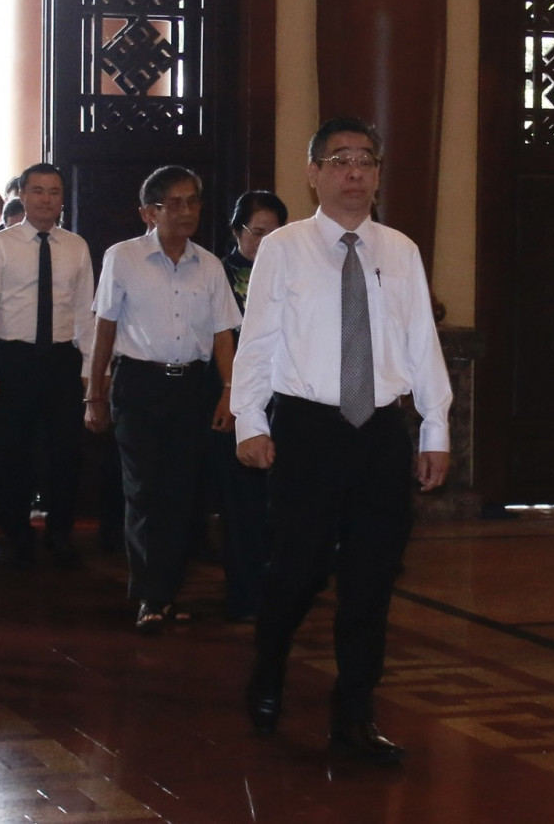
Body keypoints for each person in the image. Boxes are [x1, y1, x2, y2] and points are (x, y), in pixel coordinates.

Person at [232, 118, 452, 766]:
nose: (355, 173)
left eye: (366, 160)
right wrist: (250, 421)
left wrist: (434, 427)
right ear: (313, 172)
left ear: (378, 172)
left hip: (380, 430)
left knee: (372, 579)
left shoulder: (400, 249)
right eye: (340, 160)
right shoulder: (285, 247)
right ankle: (268, 667)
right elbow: (259, 339)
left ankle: (354, 715)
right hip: (307, 428)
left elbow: (421, 344)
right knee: (296, 571)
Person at [86, 166, 239, 631]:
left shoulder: (209, 265)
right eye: (173, 202)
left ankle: (165, 592)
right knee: (145, 489)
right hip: (139, 386)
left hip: (193, 388)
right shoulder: (123, 257)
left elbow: (222, 335)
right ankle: (151, 595)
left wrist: (230, 392)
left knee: (181, 493)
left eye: (192, 200)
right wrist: (94, 393)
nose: (186, 210)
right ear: (148, 211)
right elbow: (105, 327)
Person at [0, 163, 94, 566]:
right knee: (13, 450)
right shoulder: (1, 245)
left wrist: (89, 370)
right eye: (38, 191)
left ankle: (60, 530)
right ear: (22, 195)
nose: (47, 200)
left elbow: (85, 311)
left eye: (55, 192)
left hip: (62, 358)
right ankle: (16, 529)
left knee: (65, 451)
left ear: (63, 198)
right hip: (13, 357)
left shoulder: (76, 246)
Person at [210, 191, 289, 621]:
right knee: (242, 504)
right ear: (237, 231)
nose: (265, 242)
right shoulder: (218, 274)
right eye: (257, 233)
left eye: (274, 233)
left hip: (288, 400)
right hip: (238, 399)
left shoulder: (293, 273)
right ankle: (244, 594)